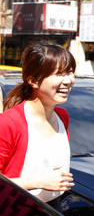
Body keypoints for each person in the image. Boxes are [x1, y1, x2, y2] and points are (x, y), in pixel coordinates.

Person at [0, 39, 75, 201]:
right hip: (16, 215)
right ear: (33, 81)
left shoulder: (62, 116)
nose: (68, 80)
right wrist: (37, 182)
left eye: (69, 72)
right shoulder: (8, 123)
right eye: (59, 74)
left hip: (52, 211)